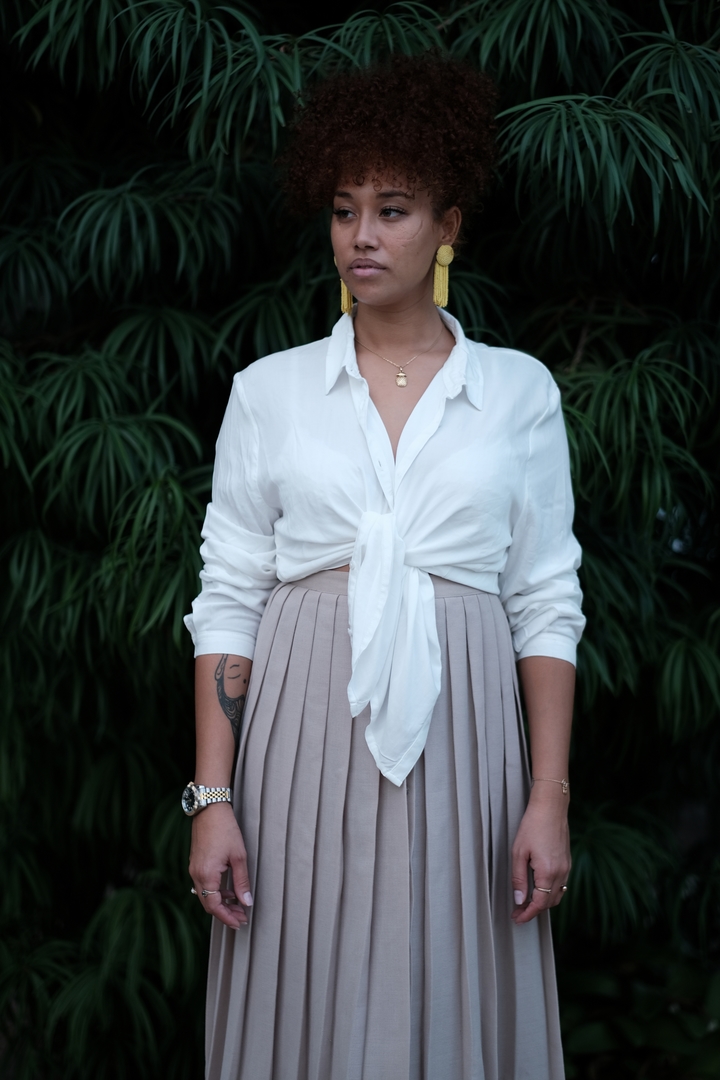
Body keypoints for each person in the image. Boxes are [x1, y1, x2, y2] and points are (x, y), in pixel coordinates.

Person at [183, 53, 585, 1080]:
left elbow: (545, 601)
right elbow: (228, 596)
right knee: (300, 983)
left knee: (447, 987)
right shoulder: (269, 391)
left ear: (449, 226)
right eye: (344, 210)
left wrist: (547, 797)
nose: (361, 235)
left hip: (467, 744)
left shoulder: (518, 392)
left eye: (393, 210)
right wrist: (213, 798)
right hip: (299, 738)